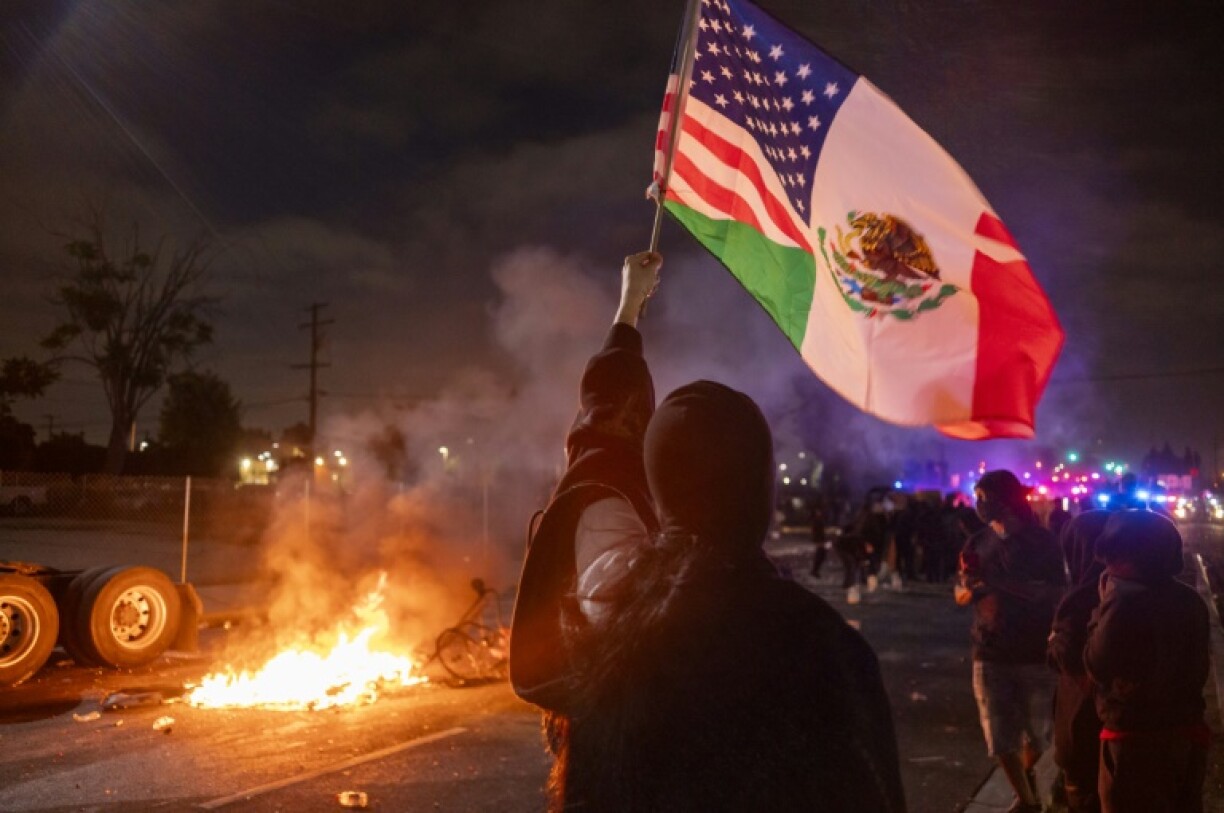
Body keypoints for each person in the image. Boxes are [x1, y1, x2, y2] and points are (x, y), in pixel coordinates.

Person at [511, 251, 907, 812]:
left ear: (658, 481)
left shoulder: (606, 617)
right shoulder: (821, 647)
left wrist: (628, 308)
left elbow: (599, 438)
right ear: (760, 490)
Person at [1084, 510, 1209, 813]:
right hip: (1186, 732)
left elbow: (1096, 663)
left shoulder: (1123, 605)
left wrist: (1101, 610)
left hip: (1134, 741)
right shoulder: (1189, 599)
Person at [958, 469, 1067, 813]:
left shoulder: (1042, 541)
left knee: (1039, 735)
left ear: (1005, 500)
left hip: (1035, 650)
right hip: (989, 649)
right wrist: (969, 586)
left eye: (983, 497)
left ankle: (1027, 789)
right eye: (976, 497)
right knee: (999, 736)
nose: (978, 504)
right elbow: (960, 591)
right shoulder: (976, 542)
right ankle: (1028, 800)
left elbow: (1053, 592)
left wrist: (998, 583)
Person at [1046, 510, 1110, 813]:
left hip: (1082, 721)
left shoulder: (1082, 598)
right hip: (1120, 729)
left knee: (1084, 796)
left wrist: (1054, 640)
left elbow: (1065, 656)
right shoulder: (1122, 589)